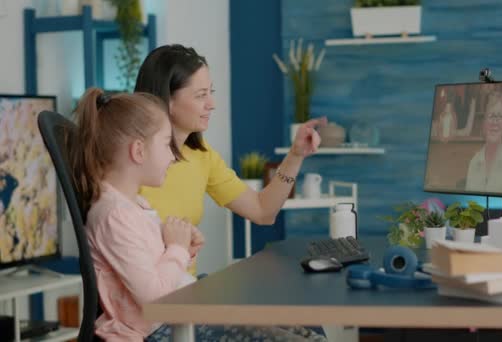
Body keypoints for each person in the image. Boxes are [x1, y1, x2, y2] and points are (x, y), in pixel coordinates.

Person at [70, 88, 325, 341]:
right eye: (166, 145)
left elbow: (149, 265)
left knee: (302, 325)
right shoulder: (114, 215)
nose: (173, 156)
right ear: (138, 151)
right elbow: (155, 298)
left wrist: (179, 246)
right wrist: (177, 249)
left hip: (183, 309)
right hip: (165, 327)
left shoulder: (132, 204)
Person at [134, 44, 326, 274]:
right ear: (168, 101)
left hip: (183, 294)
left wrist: (296, 155)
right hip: (149, 299)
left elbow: (263, 211)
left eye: (210, 92)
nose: (211, 104)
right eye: (200, 95)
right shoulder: (133, 156)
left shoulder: (201, 154)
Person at [465, 91, 502, 195]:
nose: (495, 122)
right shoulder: (474, 162)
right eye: (491, 115)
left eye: (500, 116)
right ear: (484, 122)